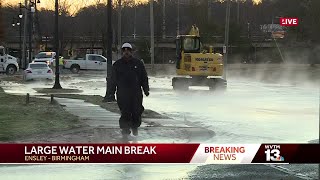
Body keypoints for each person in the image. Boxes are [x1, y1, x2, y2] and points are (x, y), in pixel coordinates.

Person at [106, 43, 149, 136]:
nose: (126, 52)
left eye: (128, 50)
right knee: (125, 112)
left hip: (136, 93)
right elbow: (113, 80)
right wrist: (111, 93)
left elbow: (144, 77)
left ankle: (135, 126)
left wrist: (146, 89)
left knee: (136, 111)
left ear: (131, 52)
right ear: (122, 52)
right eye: (124, 50)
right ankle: (125, 129)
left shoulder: (138, 64)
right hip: (122, 93)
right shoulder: (117, 65)